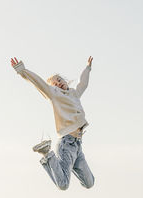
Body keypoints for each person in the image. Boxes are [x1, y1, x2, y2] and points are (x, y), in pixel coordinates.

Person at [11, 56, 95, 190]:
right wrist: (22, 71)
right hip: (66, 144)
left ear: (65, 81)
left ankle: (64, 166)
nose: (59, 83)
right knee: (63, 184)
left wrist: (88, 68)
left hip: (78, 145)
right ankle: (47, 154)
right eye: (55, 83)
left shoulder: (74, 94)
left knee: (90, 183)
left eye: (60, 80)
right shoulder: (55, 94)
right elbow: (40, 84)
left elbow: (83, 84)